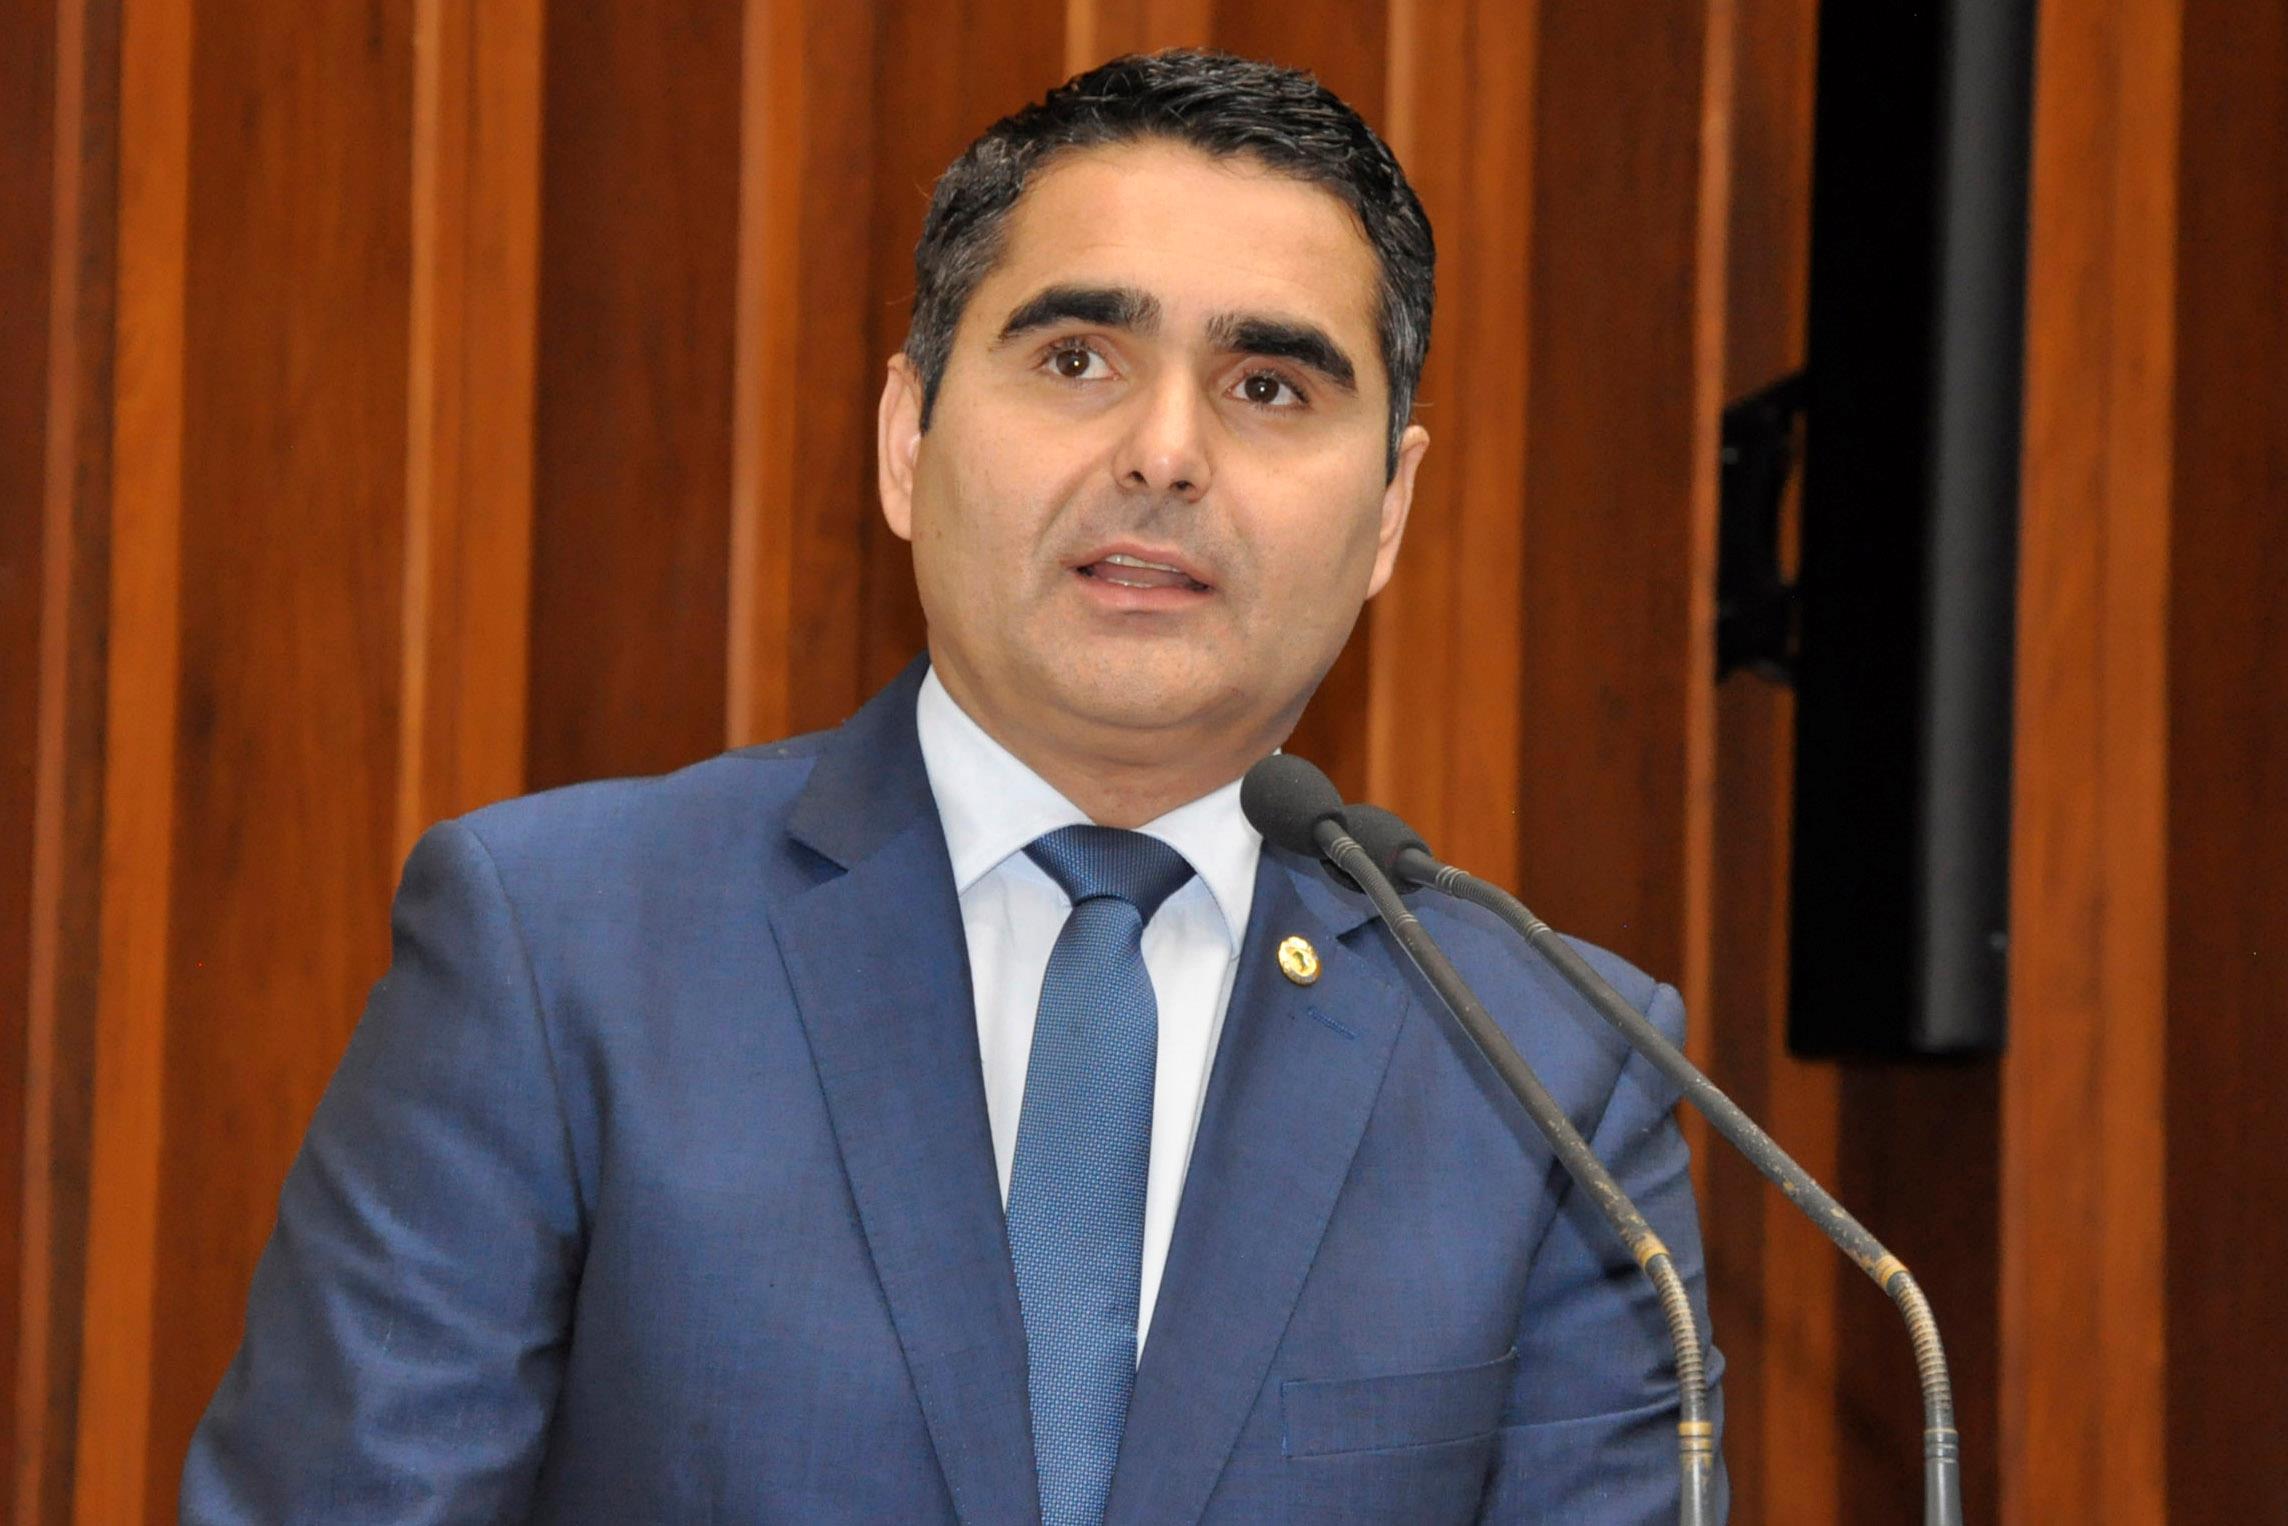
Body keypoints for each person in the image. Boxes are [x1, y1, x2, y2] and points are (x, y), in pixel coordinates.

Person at [183, 50, 1722, 1523]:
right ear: (907, 438)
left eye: (1267, 387)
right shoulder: (561, 952)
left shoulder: (1548, 1076)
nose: (1166, 452)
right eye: (1077, 359)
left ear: (1388, 510)